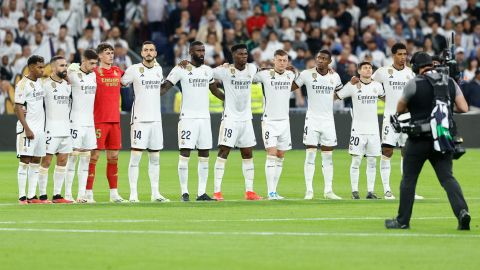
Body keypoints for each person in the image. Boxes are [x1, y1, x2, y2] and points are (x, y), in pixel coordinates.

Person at [385, 52, 471, 230]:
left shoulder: (414, 82)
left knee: (409, 179)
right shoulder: (450, 82)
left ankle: (402, 221)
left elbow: (400, 108)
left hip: (418, 139)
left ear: (416, 67)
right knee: (447, 178)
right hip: (442, 137)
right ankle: (462, 212)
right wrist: (444, 104)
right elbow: (463, 107)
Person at [160, 41, 224, 202]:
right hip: (187, 118)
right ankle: (184, 192)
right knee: (185, 152)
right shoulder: (181, 68)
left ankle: (201, 192)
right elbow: (165, 87)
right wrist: (149, 94)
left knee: (204, 153)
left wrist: (230, 98)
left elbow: (214, 90)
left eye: (203, 50)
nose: (202, 53)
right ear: (190, 52)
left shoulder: (207, 71)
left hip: (204, 118)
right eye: (198, 50)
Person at [371, 43, 424, 200]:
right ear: (393, 55)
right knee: (387, 151)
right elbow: (368, 82)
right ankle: (387, 190)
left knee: (407, 153)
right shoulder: (383, 72)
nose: (403, 57)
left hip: (408, 119)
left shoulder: (411, 73)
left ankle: (409, 190)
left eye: (405, 54)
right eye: (400, 54)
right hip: (390, 118)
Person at [211, 44, 262, 201]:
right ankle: (217, 191)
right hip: (230, 119)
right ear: (233, 56)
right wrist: (224, 98)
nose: (244, 56)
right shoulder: (224, 71)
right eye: (240, 54)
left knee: (247, 153)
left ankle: (250, 191)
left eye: (245, 54)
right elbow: (207, 77)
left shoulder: (252, 69)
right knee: (224, 152)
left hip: (246, 119)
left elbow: (263, 73)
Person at [121, 41, 170, 203]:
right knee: (136, 157)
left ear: (155, 53)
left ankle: (155, 193)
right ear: (141, 53)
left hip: (156, 120)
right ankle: (133, 194)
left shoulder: (158, 69)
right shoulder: (133, 70)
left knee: (155, 157)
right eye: (145, 50)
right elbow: (121, 83)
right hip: (139, 119)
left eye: (151, 50)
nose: (148, 52)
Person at [292, 49, 343, 200]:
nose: (320, 60)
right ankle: (309, 191)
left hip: (328, 120)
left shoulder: (335, 76)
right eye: (318, 57)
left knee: (328, 156)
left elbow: (339, 94)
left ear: (329, 62)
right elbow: (292, 87)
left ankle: (328, 191)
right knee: (310, 155)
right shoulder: (306, 74)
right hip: (312, 119)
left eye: (323, 58)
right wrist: (289, 74)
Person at [253, 49, 297, 200]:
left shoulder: (291, 74)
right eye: (279, 60)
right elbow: (249, 76)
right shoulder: (265, 75)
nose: (282, 63)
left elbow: (299, 77)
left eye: (285, 60)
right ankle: (270, 191)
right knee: (271, 154)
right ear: (273, 60)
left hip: (285, 121)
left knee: (280, 155)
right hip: (269, 121)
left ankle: (275, 191)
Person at [335, 62, 384, 199]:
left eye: (370, 68)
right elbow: (337, 96)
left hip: (374, 130)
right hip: (358, 130)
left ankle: (370, 192)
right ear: (359, 71)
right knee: (356, 160)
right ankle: (354, 191)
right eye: (365, 68)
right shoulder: (353, 85)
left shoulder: (377, 86)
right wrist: (348, 84)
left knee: (372, 161)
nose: (368, 70)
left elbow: (387, 99)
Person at [86, 43, 126, 203]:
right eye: (107, 53)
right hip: (99, 121)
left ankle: (114, 193)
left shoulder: (118, 71)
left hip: (115, 120)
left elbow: (135, 74)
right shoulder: (94, 73)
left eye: (112, 53)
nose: (111, 55)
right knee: (94, 156)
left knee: (114, 157)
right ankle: (88, 193)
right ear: (99, 56)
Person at [37, 56, 73, 204]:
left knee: (63, 160)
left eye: (66, 65)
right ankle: (43, 195)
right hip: (50, 129)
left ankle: (57, 195)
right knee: (46, 161)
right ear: (52, 68)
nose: (65, 68)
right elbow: (34, 102)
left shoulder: (67, 86)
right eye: (61, 65)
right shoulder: (44, 85)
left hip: (65, 129)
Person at [64, 49, 98, 203]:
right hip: (75, 121)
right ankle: (68, 194)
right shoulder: (73, 73)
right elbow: (62, 71)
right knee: (72, 157)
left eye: (95, 63)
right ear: (83, 61)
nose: (94, 66)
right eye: (91, 63)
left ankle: (81, 194)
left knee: (86, 159)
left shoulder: (94, 75)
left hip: (89, 123)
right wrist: (72, 66)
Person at [14, 55, 46, 204]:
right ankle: (22, 197)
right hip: (28, 129)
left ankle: (32, 196)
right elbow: (17, 106)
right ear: (31, 67)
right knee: (24, 161)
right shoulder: (22, 84)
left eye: (43, 66)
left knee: (36, 161)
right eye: (39, 67)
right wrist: (27, 128)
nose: (42, 69)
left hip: (40, 129)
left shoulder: (39, 82)